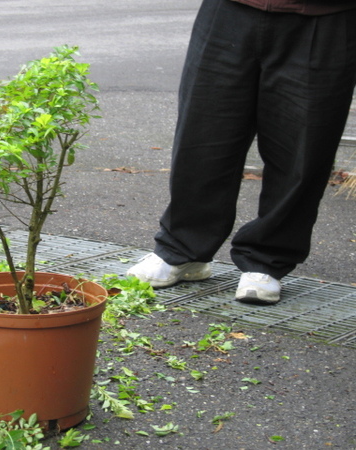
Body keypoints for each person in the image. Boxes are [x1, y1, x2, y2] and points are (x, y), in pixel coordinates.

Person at [127, 0, 356, 305]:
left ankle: (267, 260)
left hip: (325, 16)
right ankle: (182, 250)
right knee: (203, 132)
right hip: (230, 10)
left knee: (302, 147)